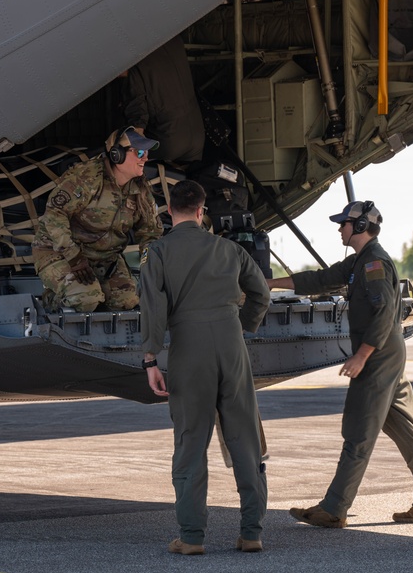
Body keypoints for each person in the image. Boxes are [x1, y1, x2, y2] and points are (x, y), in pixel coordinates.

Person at [267, 201, 413, 528]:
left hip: (378, 353)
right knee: (405, 427)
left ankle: (334, 508)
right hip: (385, 353)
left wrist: (361, 356)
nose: (339, 228)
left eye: (344, 224)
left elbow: (382, 314)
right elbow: (320, 279)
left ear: (361, 227)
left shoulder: (374, 264)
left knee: (358, 431)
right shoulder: (359, 262)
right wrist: (270, 284)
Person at [140, 180, 270, 555]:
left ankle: (192, 537)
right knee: (244, 439)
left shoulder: (158, 252)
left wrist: (150, 358)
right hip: (231, 344)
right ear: (201, 211)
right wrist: (243, 325)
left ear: (169, 211)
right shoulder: (228, 249)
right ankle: (251, 533)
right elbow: (260, 292)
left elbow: (152, 306)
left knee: (192, 441)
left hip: (188, 348)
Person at [32, 127, 163, 312]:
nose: (145, 158)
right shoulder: (87, 178)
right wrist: (74, 258)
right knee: (86, 301)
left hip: (106, 258)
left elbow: (150, 233)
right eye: (139, 152)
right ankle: (53, 301)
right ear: (117, 154)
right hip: (60, 252)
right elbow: (54, 214)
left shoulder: (140, 190)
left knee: (127, 303)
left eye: (147, 152)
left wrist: (150, 268)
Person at [120, 35, 206, 164]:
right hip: (198, 134)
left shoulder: (136, 67)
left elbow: (137, 119)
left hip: (169, 140)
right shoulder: (173, 38)